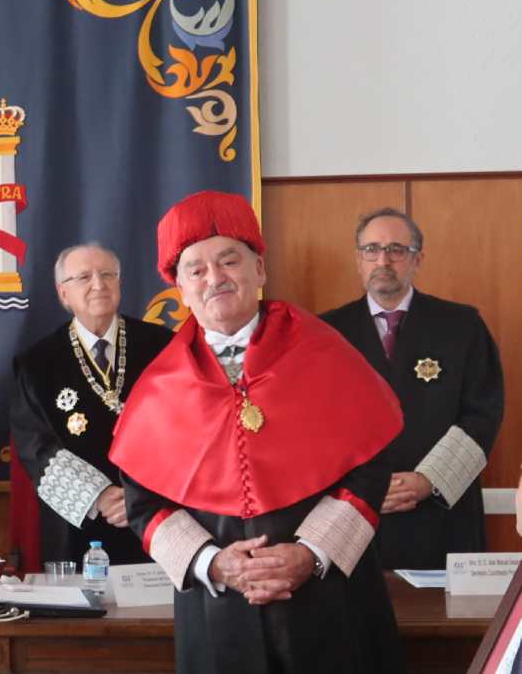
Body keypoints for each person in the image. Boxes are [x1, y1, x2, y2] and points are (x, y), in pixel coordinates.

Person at [109, 190, 405, 673]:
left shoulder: (325, 354)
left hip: (329, 604)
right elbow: (145, 506)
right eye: (197, 270)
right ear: (179, 287)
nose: (215, 279)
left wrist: (310, 554)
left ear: (260, 270)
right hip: (218, 610)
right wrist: (213, 563)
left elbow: (370, 472)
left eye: (229, 261)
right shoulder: (158, 385)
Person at [321, 207, 504, 570]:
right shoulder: (326, 333)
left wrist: (428, 480)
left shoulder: (462, 325)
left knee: (446, 623)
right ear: (359, 260)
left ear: (417, 259)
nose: (383, 260)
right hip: (357, 514)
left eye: (396, 250)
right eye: (371, 249)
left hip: (441, 513)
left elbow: (483, 414)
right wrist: (367, 486)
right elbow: (313, 427)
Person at [9, 243, 174, 565]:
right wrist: (100, 496)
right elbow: (35, 448)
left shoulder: (163, 346)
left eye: (107, 275)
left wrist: (138, 499)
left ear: (120, 284)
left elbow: (184, 431)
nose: (98, 285)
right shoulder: (36, 363)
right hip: (79, 525)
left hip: (157, 516)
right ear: (63, 294)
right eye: (83, 277)